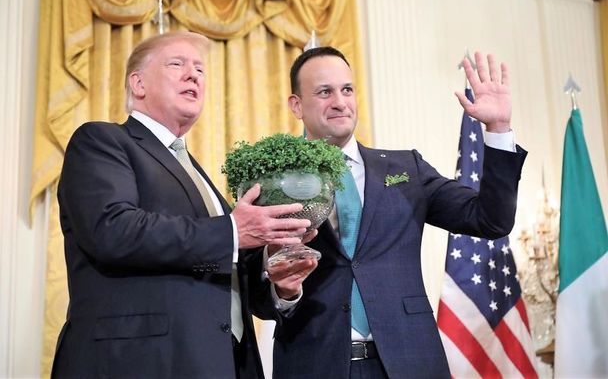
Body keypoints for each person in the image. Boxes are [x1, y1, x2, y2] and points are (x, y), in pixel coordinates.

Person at [50, 31, 316, 379]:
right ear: (138, 83)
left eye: (200, 70)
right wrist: (234, 230)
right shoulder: (102, 141)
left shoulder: (198, 175)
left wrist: (279, 280)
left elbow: (225, 273)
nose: (193, 75)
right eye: (177, 64)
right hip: (140, 363)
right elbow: (112, 230)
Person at [252, 47, 527, 378]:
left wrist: (498, 128)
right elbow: (256, 296)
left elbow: (491, 219)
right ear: (296, 105)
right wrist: (283, 290)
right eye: (325, 92)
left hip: (409, 362)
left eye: (347, 90)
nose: (340, 101)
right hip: (315, 364)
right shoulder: (271, 183)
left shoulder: (406, 168)